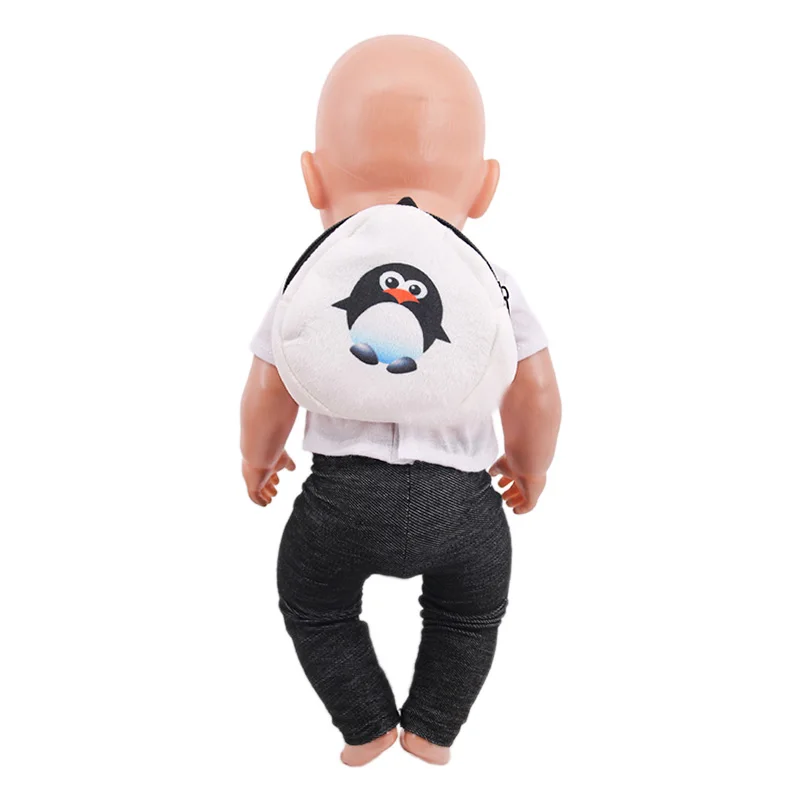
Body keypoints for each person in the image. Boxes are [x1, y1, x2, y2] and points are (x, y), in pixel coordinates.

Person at [240, 35, 562, 767]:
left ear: (313, 180)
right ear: (484, 189)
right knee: (469, 615)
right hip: (464, 502)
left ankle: (365, 724)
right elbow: (537, 388)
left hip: (341, 500)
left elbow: (268, 380)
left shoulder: (313, 275)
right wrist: (531, 465)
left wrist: (257, 457)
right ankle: (433, 729)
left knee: (315, 606)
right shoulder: (491, 281)